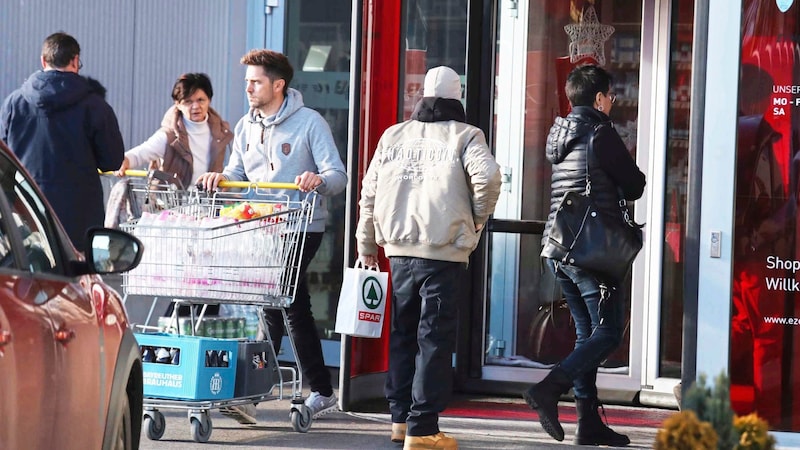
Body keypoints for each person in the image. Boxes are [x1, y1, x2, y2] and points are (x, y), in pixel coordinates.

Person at [196, 49, 347, 424]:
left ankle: (305, 392)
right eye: (247, 81)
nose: (248, 88)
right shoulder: (247, 125)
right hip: (261, 228)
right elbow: (237, 175)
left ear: (278, 85)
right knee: (272, 306)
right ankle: (285, 392)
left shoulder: (310, 123)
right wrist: (221, 181)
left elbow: (338, 177)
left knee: (288, 304)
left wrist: (318, 180)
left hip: (300, 226)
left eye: (256, 81)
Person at [355, 66, 502, 450]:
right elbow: (488, 178)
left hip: (398, 252)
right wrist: (475, 221)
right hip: (443, 253)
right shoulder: (466, 135)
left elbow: (369, 193)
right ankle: (424, 429)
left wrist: (366, 244)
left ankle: (400, 421)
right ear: (458, 98)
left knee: (403, 335)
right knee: (433, 339)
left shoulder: (393, 135)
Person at [524, 64, 645, 447]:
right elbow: (635, 184)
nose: (612, 102)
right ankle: (548, 389)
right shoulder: (601, 133)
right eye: (611, 95)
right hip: (593, 252)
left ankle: (588, 423)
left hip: (560, 247)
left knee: (585, 335)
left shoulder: (559, 133)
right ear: (598, 98)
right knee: (607, 334)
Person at [0, 31, 124, 250]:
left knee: (31, 277)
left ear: (43, 61)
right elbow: (112, 161)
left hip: (26, 213)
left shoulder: (14, 103)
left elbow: (3, 164)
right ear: (75, 60)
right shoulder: (95, 107)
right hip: (80, 217)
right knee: (79, 279)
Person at [114, 72, 232, 189]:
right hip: (173, 204)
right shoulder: (169, 136)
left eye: (201, 100)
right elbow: (141, 153)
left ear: (209, 100)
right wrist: (124, 160)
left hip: (209, 203)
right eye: (188, 102)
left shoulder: (221, 132)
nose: (195, 106)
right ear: (178, 104)